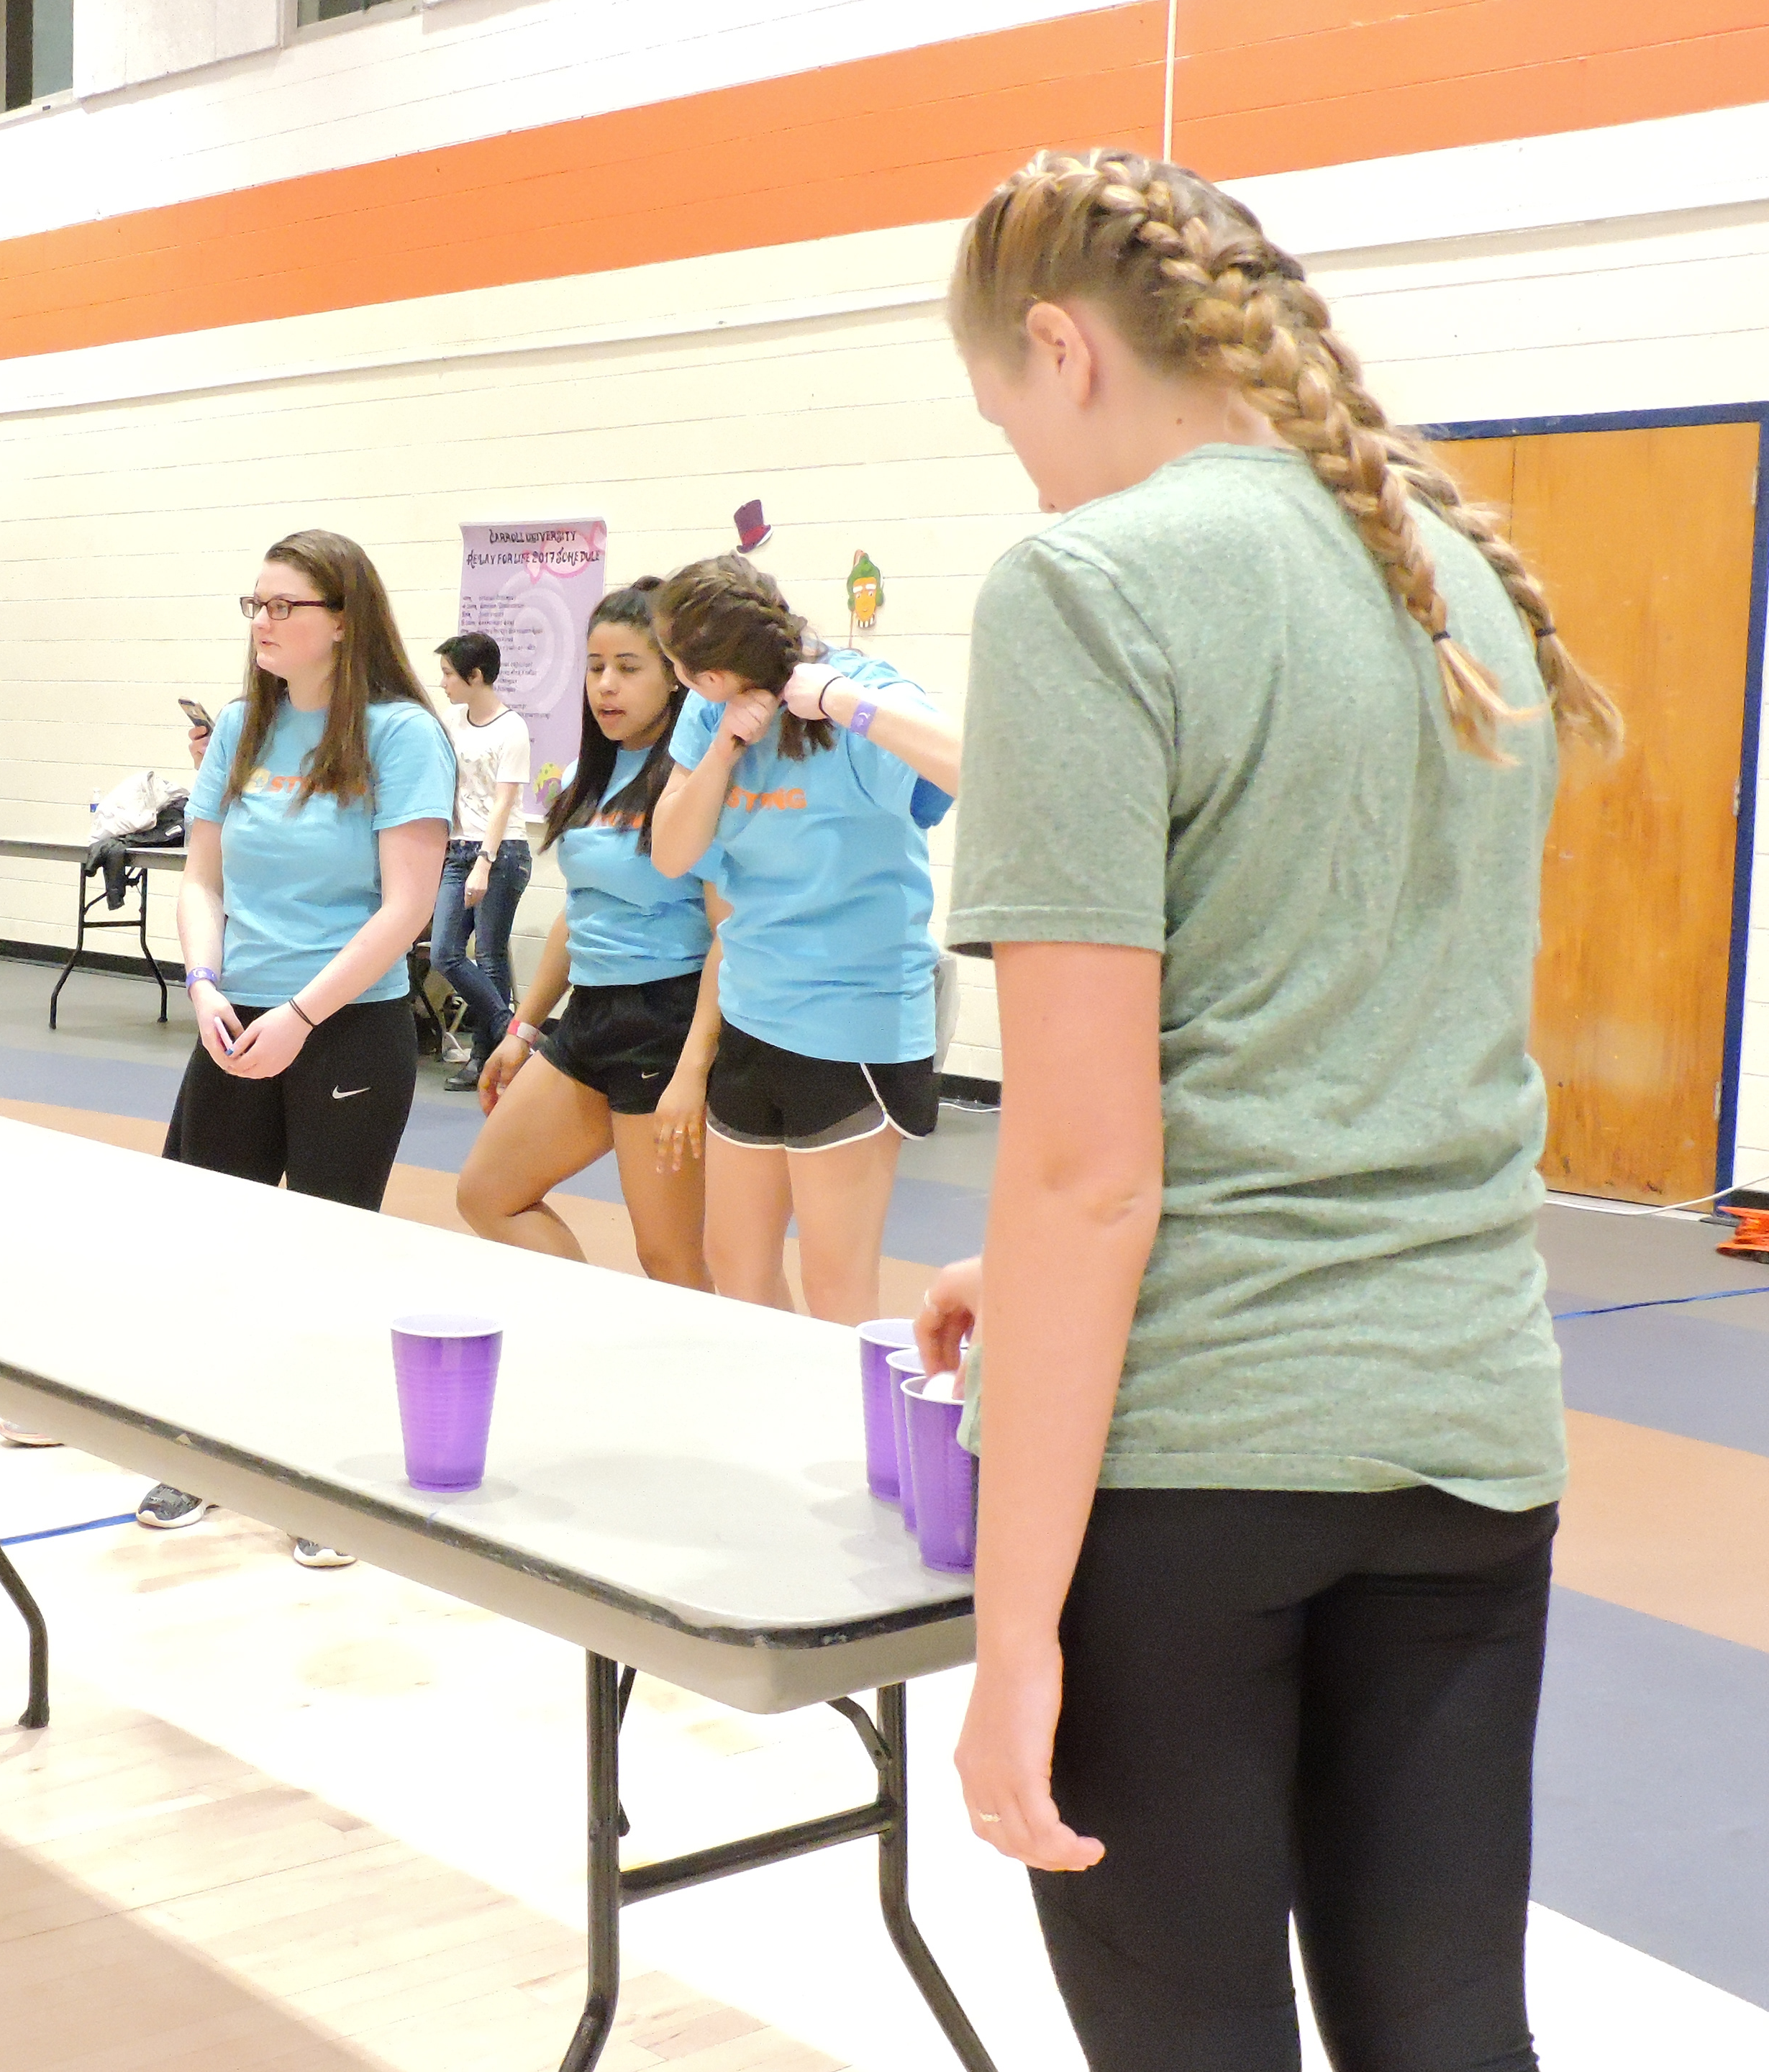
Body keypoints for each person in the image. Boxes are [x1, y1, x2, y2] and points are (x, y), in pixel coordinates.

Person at [917, 150, 1622, 2071]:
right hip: (1470, 1426)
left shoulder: (1089, 582)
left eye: (1007, 422)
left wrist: (1011, 1640)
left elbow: (1087, 1173)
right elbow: (1326, 1027)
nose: (1028, 476)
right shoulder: (1456, 569)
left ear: (1060, 352)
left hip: (1204, 1460)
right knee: (1456, 2029)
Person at [138, 530, 453, 1565]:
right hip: (237, 1015)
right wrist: (203, 982)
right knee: (207, 1244)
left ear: (343, 619)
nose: (263, 624)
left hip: (346, 1026)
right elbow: (202, 879)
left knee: (326, 1253)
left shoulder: (404, 735)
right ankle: (201, 1447)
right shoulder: (243, 724)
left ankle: (326, 1478)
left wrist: (303, 1018)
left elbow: (406, 910)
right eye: (255, 606)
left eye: (285, 607)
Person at [645, 555, 960, 1328]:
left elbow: (976, 762)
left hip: (855, 1023)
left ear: (707, 668)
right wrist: (724, 746)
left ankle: (857, 1446)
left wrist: (844, 702)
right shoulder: (709, 713)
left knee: (835, 1285)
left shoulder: (864, 695)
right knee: (738, 1267)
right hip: (755, 1010)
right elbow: (671, 853)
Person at [458, 579, 722, 1287]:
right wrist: (523, 1030)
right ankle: (593, 1316)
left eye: (629, 667)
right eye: (596, 666)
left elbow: (735, 934)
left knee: (669, 1255)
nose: (606, 685)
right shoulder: (584, 777)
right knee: (486, 1194)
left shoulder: (698, 781)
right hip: (591, 1018)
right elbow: (581, 914)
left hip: (666, 1023)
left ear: (676, 677)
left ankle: (710, 1385)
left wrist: (694, 1070)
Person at [424, 630, 532, 1091]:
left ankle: (485, 1061)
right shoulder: (450, 720)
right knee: (445, 953)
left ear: (475, 676)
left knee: (489, 957)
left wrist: (484, 864)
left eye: (449, 674)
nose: (443, 682)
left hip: (501, 850)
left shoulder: (513, 729)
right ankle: (512, 1029)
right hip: (457, 847)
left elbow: (505, 803)